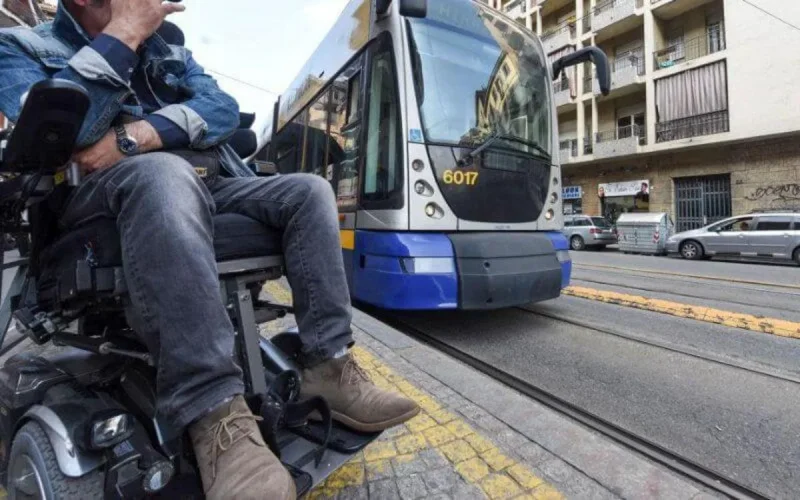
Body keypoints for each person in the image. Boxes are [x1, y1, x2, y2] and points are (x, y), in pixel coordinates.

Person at [0, 1, 420, 499]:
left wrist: (135, 135)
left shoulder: (169, 48)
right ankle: (214, 415)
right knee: (165, 175)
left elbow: (219, 109)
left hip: (201, 181)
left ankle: (328, 364)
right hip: (98, 199)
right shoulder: (21, 46)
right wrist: (126, 32)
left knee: (309, 191)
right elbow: (60, 137)